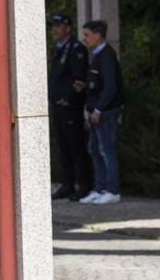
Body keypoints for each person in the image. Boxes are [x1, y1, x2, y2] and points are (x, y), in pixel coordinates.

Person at [47, 14, 92, 201]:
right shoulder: (58, 48)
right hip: (57, 105)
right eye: (53, 26)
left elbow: (79, 78)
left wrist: (68, 98)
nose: (55, 29)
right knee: (63, 146)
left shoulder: (76, 49)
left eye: (58, 26)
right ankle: (67, 184)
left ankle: (84, 185)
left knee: (76, 146)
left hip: (70, 106)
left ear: (68, 27)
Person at [79, 20, 124, 205]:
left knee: (106, 150)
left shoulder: (106, 55)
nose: (85, 38)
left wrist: (98, 109)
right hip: (96, 110)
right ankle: (99, 188)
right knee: (95, 149)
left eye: (88, 35)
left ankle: (112, 190)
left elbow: (111, 88)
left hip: (106, 111)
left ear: (98, 35)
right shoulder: (97, 55)